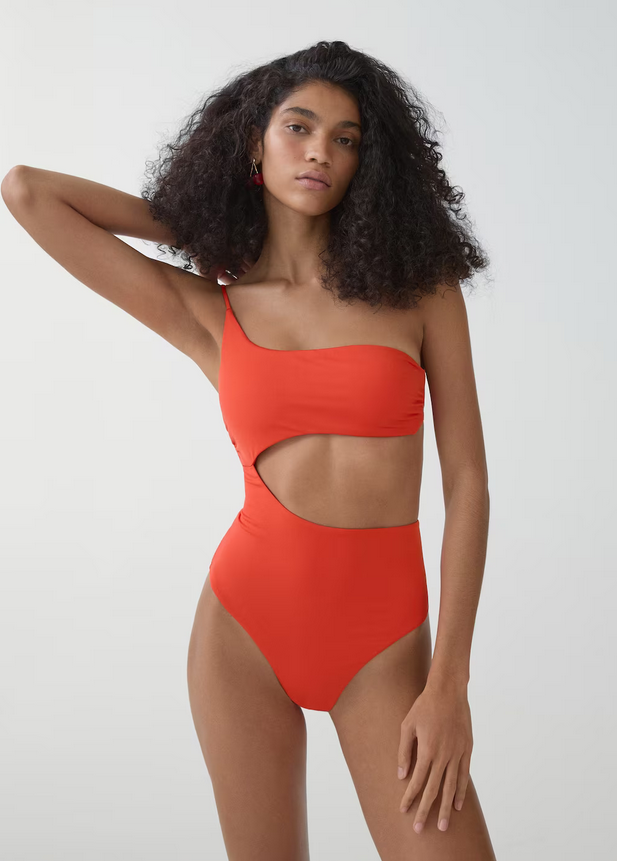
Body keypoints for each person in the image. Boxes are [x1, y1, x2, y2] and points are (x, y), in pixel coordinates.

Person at [2, 39, 496, 861]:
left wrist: (449, 682)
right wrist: (214, 217)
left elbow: (468, 481)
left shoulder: (420, 291)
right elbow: (28, 190)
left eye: (345, 138)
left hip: (384, 645)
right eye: (297, 127)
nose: (319, 152)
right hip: (243, 630)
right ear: (253, 145)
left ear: (368, 164)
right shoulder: (212, 311)